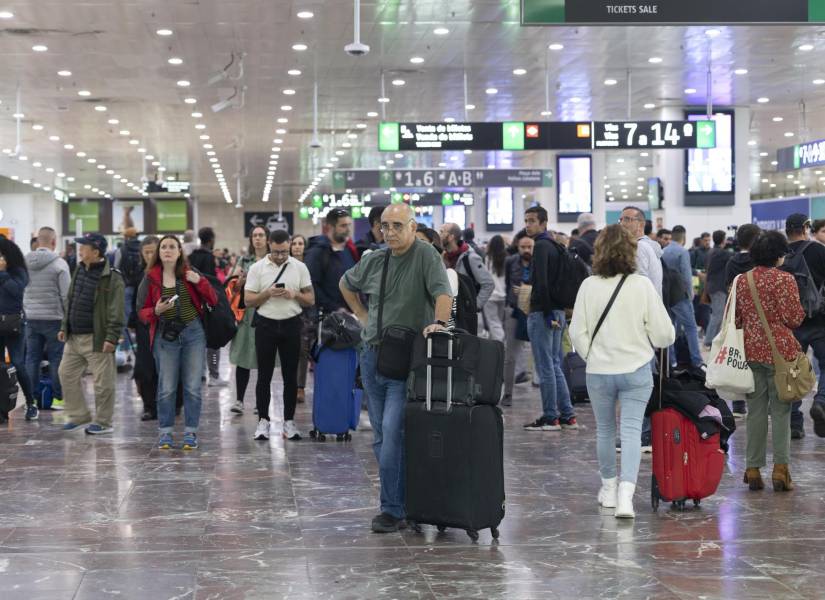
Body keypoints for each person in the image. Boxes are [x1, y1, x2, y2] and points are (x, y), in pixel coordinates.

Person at [340, 203, 452, 533]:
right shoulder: (374, 259)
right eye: (384, 226)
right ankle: (399, 501)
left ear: (413, 227)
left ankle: (392, 508)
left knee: (392, 433)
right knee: (381, 435)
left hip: (404, 361)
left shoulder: (426, 255)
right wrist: (361, 315)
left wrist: (439, 323)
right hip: (372, 355)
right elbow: (346, 283)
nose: (389, 232)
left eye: (397, 226)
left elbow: (442, 293)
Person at [570, 225, 675, 518]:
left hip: (599, 371)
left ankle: (608, 489)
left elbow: (577, 331)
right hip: (637, 369)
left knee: (605, 430)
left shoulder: (588, 286)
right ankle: (627, 495)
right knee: (630, 432)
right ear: (631, 251)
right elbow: (665, 335)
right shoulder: (642, 286)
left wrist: (591, 354)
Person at [735, 231, 805, 493]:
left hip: (752, 351)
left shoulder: (742, 281)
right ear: (778, 254)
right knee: (781, 411)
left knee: (755, 411)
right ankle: (780, 470)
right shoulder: (785, 280)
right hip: (780, 353)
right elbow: (794, 318)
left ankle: (752, 469)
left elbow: (737, 319)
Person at [139, 235, 217, 450]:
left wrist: (199, 281)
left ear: (180, 251)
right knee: (166, 387)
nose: (167, 250)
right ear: (159, 252)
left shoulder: (190, 274)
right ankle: (165, 433)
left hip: (193, 333)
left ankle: (191, 432)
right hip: (166, 336)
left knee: (192, 386)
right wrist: (155, 310)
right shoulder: (151, 277)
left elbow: (213, 299)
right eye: (163, 247)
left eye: (172, 247)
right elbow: (142, 313)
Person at [244, 230, 314, 441]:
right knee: (264, 376)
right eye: (276, 252)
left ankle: (289, 421)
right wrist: (267, 293)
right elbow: (248, 300)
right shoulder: (257, 268)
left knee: (290, 376)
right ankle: (263, 421)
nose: (280, 256)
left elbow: (310, 299)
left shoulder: (299, 267)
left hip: (292, 324)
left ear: (290, 245)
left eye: (284, 252)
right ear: (268, 246)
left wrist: (295, 295)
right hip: (265, 325)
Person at [59, 233, 125, 435]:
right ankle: (79, 415)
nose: (80, 250)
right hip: (74, 336)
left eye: (84, 247)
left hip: (97, 338)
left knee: (103, 383)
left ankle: (104, 422)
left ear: (96, 252)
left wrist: (111, 337)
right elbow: (71, 299)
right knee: (66, 374)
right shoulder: (79, 269)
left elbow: (117, 309)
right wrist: (64, 326)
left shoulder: (112, 277)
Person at [522, 205, 577, 432]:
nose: (528, 225)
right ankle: (567, 415)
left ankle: (550, 416)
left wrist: (544, 313)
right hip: (557, 311)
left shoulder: (542, 246)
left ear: (543, 223)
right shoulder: (555, 245)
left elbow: (542, 282)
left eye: (532, 220)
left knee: (545, 366)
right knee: (554, 365)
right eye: (526, 220)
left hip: (544, 313)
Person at [784, 214, 825, 439]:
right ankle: (821, 402)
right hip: (820, 320)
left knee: (792, 371)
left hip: (791, 324)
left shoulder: (781, 255)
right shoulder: (820, 251)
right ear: (806, 227)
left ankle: (794, 423)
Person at [24, 226, 70, 414]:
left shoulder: (23, 262)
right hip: (54, 319)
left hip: (31, 318)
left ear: (37, 240)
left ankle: (31, 400)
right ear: (54, 241)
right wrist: (68, 320)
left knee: (32, 359)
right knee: (56, 359)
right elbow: (66, 295)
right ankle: (58, 399)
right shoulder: (60, 264)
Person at [227, 225, 269, 415]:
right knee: (243, 357)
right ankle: (239, 400)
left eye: (261, 235)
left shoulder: (273, 260)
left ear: (267, 238)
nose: (258, 238)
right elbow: (231, 290)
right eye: (255, 235)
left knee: (263, 360)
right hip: (245, 316)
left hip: (267, 314)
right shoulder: (244, 261)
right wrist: (239, 284)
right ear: (251, 239)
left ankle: (260, 402)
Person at [187, 227, 228, 387]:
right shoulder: (209, 258)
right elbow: (210, 282)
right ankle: (214, 375)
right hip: (207, 304)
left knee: (198, 341)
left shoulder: (191, 257)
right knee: (213, 341)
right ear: (211, 239)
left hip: (192, 304)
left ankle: (200, 374)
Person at [0, 236, 35, 421]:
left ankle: (31, 403)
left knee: (18, 363)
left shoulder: (18, 270)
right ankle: (2, 407)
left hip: (15, 324)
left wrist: (3, 273)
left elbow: (17, 292)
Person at [662, 225, 704, 370]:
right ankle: (697, 361)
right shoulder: (682, 252)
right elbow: (686, 276)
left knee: (671, 328)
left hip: (667, 296)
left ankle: (672, 361)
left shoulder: (663, 251)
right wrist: (691, 294)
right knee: (691, 327)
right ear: (684, 238)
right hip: (681, 295)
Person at [305, 208, 359, 316]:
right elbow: (312, 286)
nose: (348, 229)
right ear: (330, 227)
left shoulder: (348, 250)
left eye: (349, 225)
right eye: (343, 226)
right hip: (328, 318)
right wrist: (335, 308)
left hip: (351, 316)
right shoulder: (317, 252)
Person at [503, 233, 534, 407]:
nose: (526, 250)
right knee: (510, 354)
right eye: (523, 247)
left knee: (541, 354)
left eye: (529, 247)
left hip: (534, 311)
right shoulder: (511, 262)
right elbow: (507, 283)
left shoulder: (540, 262)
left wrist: (527, 290)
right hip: (514, 310)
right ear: (518, 247)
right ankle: (507, 392)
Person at [440, 222, 495, 311]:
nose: (439, 235)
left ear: (451, 237)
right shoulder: (442, 257)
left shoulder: (470, 258)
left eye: (442, 232)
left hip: (464, 315)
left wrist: (475, 306)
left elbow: (488, 283)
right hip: (447, 311)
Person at [291, 234, 314, 403]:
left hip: (307, 313)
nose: (298, 246)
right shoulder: (287, 266)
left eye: (301, 243)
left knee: (303, 351)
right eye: (295, 243)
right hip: (289, 312)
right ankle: (291, 385)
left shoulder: (310, 266)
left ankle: (300, 387)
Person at [702, 230, 732, 347]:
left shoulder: (711, 251)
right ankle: (709, 341)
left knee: (716, 314)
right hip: (718, 288)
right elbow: (733, 256)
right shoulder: (721, 253)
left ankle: (713, 339)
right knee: (717, 315)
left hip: (712, 287)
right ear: (723, 240)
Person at [482, 235, 508, 342]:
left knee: (493, 321)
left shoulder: (487, 258)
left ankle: (499, 343)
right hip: (504, 295)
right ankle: (499, 342)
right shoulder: (507, 258)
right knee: (500, 321)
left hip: (490, 295)